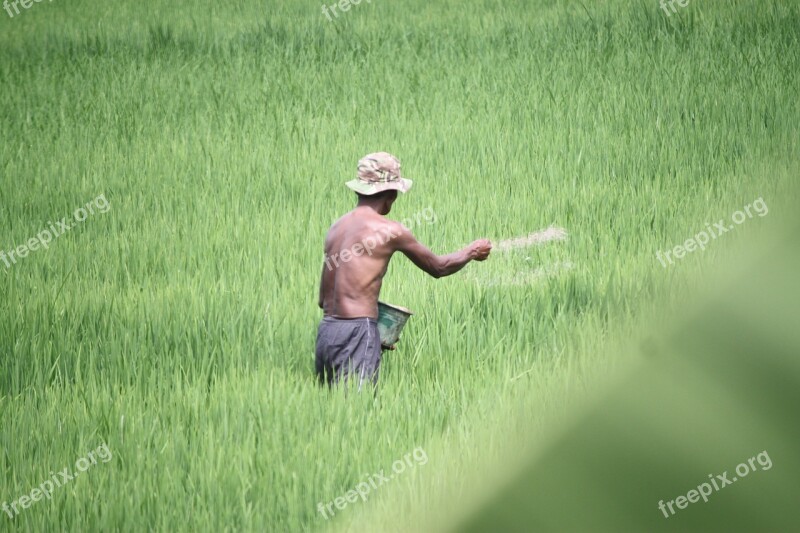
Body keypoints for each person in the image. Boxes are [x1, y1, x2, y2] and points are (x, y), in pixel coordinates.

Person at [315, 152, 492, 388]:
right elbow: (438, 267)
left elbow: (323, 299)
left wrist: (374, 329)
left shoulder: (336, 227)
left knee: (331, 410)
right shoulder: (390, 230)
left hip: (327, 332)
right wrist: (471, 251)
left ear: (360, 189)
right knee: (358, 410)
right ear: (390, 194)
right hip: (357, 331)